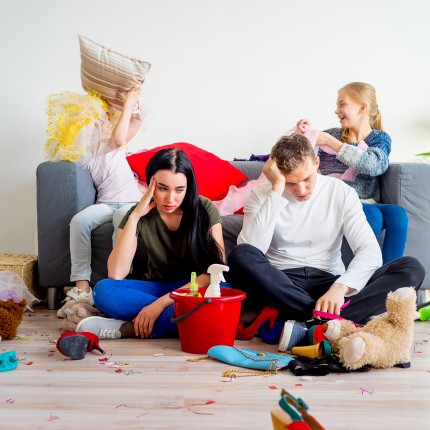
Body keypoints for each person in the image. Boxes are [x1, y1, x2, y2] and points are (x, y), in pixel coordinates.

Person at [227, 133, 425, 352]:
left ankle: (312, 323)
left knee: (411, 268)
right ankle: (329, 323)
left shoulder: (341, 192)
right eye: (291, 183)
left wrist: (340, 287)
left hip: (329, 282)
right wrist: (276, 191)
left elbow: (368, 249)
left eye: (306, 179)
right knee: (239, 254)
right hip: (281, 283)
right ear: (279, 175)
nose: (301, 190)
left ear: (317, 163)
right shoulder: (261, 195)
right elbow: (251, 249)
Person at [76, 147, 226, 339]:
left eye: (179, 190)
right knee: (104, 290)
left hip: (194, 288)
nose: (170, 199)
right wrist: (135, 216)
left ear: (188, 187)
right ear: (150, 184)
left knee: (221, 295)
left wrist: (159, 305)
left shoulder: (205, 208)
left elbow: (216, 272)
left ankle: (130, 328)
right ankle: (173, 320)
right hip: (155, 287)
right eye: (162, 188)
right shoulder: (137, 214)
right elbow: (116, 273)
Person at [297, 82, 408, 264]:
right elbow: (299, 153)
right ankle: (360, 274)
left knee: (398, 215)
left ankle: (390, 277)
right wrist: (302, 132)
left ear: (362, 108)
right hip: (336, 200)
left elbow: (373, 166)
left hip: (366, 201)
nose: (336, 110)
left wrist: (333, 144)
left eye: (342, 104)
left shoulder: (379, 139)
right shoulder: (330, 134)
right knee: (372, 215)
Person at [58, 85, 144, 314]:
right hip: (106, 203)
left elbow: (134, 123)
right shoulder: (88, 154)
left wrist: (130, 102)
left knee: (121, 217)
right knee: (79, 221)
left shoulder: (117, 143)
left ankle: (118, 282)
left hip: (130, 203)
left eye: (106, 120)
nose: (103, 124)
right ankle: (82, 287)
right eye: (98, 122)